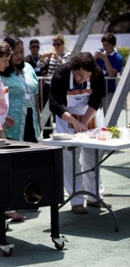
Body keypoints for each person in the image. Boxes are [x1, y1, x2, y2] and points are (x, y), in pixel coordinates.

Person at [49, 52, 111, 214]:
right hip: (67, 117)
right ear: (73, 67)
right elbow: (54, 103)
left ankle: (95, 196)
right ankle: (76, 199)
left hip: (89, 117)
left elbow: (96, 101)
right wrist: (74, 122)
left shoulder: (97, 74)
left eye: (86, 77)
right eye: (79, 75)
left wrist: (83, 123)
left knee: (93, 155)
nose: (82, 79)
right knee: (70, 158)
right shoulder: (61, 74)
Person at [0, 41, 26, 221]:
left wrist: (2, 117)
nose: (7, 64)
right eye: (5, 61)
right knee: (2, 170)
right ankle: (6, 208)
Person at [0, 36, 41, 143]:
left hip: (32, 122)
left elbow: (35, 94)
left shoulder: (28, 68)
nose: (19, 56)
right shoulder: (1, 73)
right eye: (15, 53)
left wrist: (39, 119)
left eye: (21, 52)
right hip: (12, 125)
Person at [94, 32, 124, 114]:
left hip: (108, 91)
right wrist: (94, 58)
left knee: (108, 115)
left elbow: (111, 74)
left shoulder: (118, 58)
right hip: (97, 91)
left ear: (113, 45)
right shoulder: (99, 52)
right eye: (103, 45)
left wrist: (105, 58)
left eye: (107, 45)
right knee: (95, 117)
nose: (105, 47)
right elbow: (89, 68)